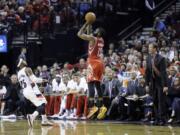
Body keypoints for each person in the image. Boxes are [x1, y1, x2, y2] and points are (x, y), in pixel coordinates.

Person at [77, 20, 106, 119]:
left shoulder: (93, 38)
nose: (95, 30)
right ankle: (102, 107)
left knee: (90, 85)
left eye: (96, 30)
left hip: (93, 63)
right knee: (97, 85)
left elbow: (79, 34)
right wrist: (89, 25)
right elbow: (90, 34)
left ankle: (93, 107)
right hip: (100, 63)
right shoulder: (101, 40)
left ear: (98, 33)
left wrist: (85, 23)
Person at [17, 58, 53, 127]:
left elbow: (29, 82)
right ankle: (32, 116)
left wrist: (37, 87)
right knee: (42, 104)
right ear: (21, 63)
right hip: (32, 91)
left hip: (27, 91)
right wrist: (44, 80)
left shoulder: (19, 73)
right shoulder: (27, 69)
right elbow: (34, 79)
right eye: (23, 60)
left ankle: (44, 120)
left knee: (42, 102)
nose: (25, 60)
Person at [145, 43, 168, 125]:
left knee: (161, 101)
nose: (149, 48)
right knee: (154, 100)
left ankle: (162, 119)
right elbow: (147, 72)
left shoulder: (161, 58)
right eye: (148, 47)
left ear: (155, 48)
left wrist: (165, 85)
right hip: (153, 82)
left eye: (150, 47)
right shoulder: (148, 58)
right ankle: (157, 119)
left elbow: (164, 73)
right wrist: (147, 84)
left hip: (160, 83)